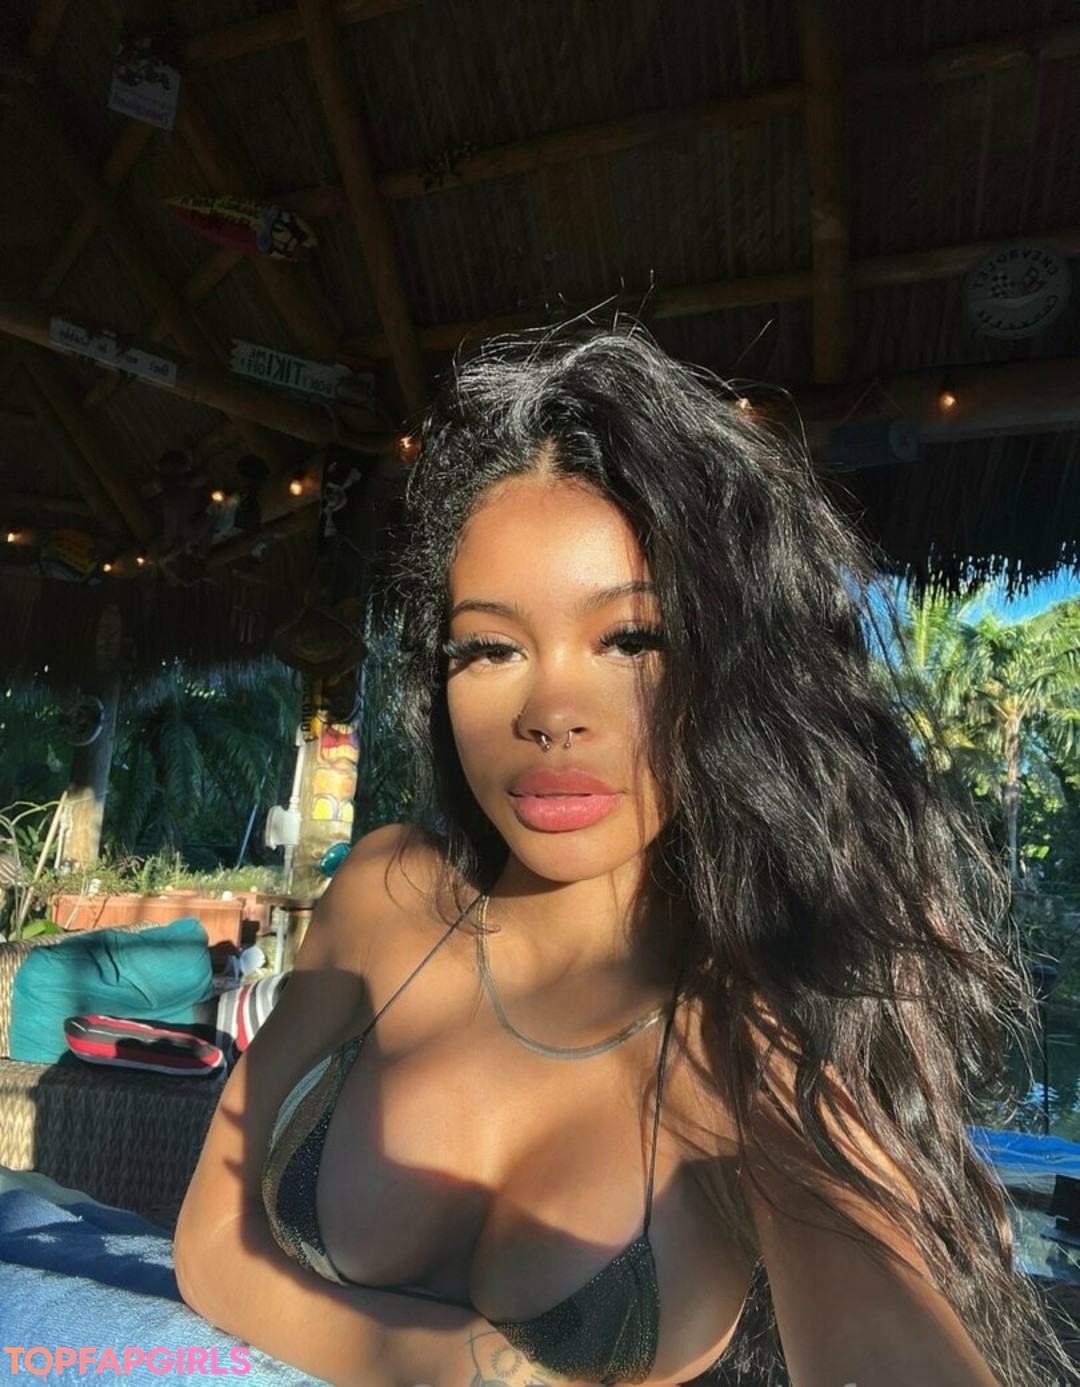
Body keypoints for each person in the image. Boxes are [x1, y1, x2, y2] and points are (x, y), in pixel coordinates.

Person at [175, 328, 1074, 1386]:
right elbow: (209, 1244)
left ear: (733, 668)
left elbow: (875, 1308)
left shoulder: (758, 1031)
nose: (553, 711)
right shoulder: (383, 893)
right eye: (492, 647)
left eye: (632, 640)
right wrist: (486, 1373)